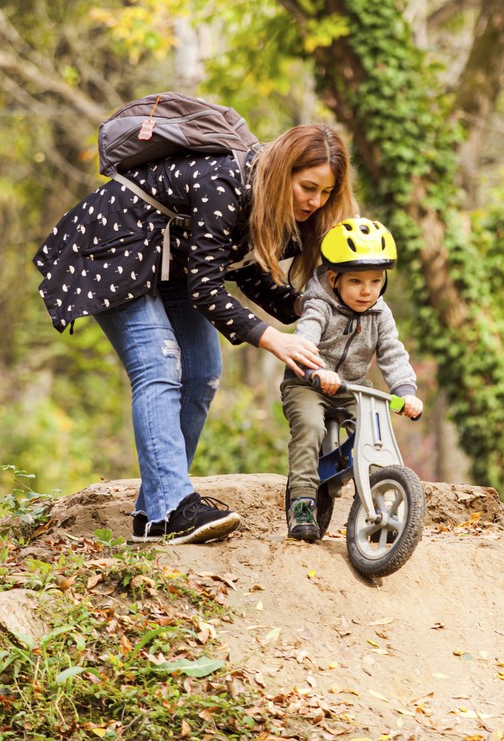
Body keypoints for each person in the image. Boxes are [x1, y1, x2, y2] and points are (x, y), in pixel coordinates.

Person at [34, 122, 357, 544]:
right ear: (283, 173)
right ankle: (173, 506)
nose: (315, 202)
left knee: (204, 372)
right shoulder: (223, 182)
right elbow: (206, 288)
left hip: (173, 265)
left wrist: (310, 307)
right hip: (117, 247)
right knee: (159, 364)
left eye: (326, 193)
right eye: (308, 187)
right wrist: (273, 338)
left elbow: (246, 275)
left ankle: (154, 515)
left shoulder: (272, 210)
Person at [279, 217, 423, 542]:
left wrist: (405, 392)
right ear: (333, 278)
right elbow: (305, 337)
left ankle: (373, 505)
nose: (366, 290)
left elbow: (392, 353)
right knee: (310, 428)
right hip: (307, 382)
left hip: (353, 389)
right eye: (356, 281)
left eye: (375, 281)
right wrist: (315, 368)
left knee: (373, 436)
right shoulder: (318, 304)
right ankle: (302, 501)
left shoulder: (380, 313)